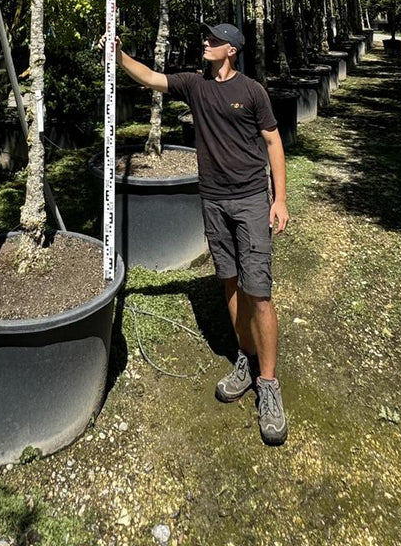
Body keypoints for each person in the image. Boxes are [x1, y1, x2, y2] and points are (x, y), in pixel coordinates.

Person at [107, 22, 289, 446]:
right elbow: (151, 78)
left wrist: (279, 199)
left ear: (231, 50)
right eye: (205, 39)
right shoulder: (194, 85)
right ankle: (245, 358)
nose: (204, 44)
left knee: (258, 290)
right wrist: (118, 57)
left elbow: (274, 143)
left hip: (249, 200)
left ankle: (269, 383)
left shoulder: (253, 91)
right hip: (213, 200)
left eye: (212, 40)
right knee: (228, 281)